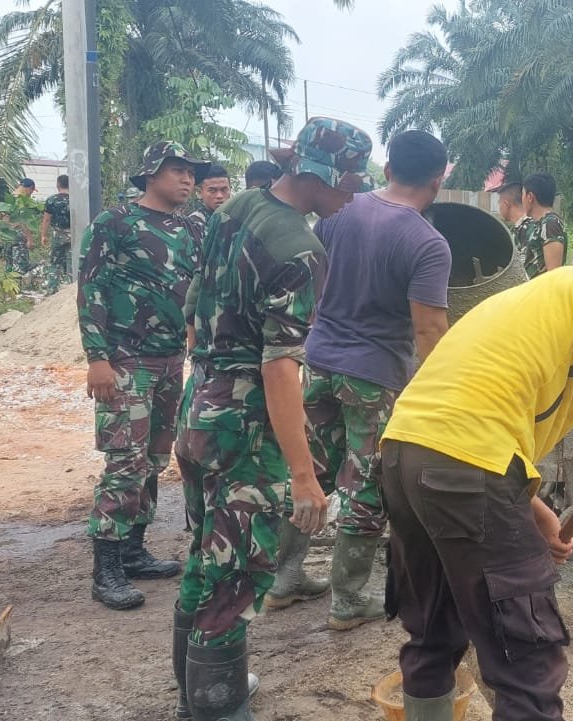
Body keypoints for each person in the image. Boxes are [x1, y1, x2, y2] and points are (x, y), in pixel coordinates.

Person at [381, 255, 573, 721]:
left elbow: (474, 426)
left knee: (434, 632)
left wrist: (539, 512)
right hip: (465, 465)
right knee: (526, 659)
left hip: (402, 453)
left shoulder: (526, 306)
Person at [172, 117, 371, 721]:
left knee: (206, 557)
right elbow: (281, 369)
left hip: (200, 404)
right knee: (234, 577)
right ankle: (217, 708)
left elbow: (194, 305)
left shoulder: (234, 208)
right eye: (352, 179)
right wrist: (304, 473)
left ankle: (199, 694)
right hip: (245, 426)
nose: (355, 193)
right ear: (323, 174)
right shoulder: (300, 252)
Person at [264, 130, 453, 630]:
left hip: (319, 363)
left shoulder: (339, 212)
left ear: (388, 169)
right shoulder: (426, 243)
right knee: (367, 483)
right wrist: (443, 394)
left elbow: (317, 284)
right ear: (438, 181)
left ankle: (282, 580)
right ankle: (347, 601)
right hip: (374, 377)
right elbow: (430, 330)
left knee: (313, 472)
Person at [78, 141, 211, 611]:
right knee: (124, 462)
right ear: (151, 173)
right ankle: (107, 567)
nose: (187, 179)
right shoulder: (114, 223)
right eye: (178, 170)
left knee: (154, 459)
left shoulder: (194, 228)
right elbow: (91, 288)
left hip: (172, 359)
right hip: (125, 360)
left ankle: (134, 550)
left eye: (191, 172)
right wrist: (97, 357)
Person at [516, 172, 568, 278]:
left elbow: (554, 275)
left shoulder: (550, 224)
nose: (522, 200)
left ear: (530, 197)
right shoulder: (538, 224)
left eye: (523, 194)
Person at [41, 174, 73, 294]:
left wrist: (43, 235)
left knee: (55, 262)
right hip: (73, 235)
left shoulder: (51, 200)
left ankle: (52, 289)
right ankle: (72, 290)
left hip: (58, 235)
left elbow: (46, 219)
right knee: (72, 262)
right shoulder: (75, 199)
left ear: (58, 185)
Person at [189, 164, 233, 230]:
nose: (219, 196)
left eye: (224, 190)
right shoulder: (193, 224)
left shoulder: (237, 219)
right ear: (199, 193)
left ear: (230, 189)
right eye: (212, 191)